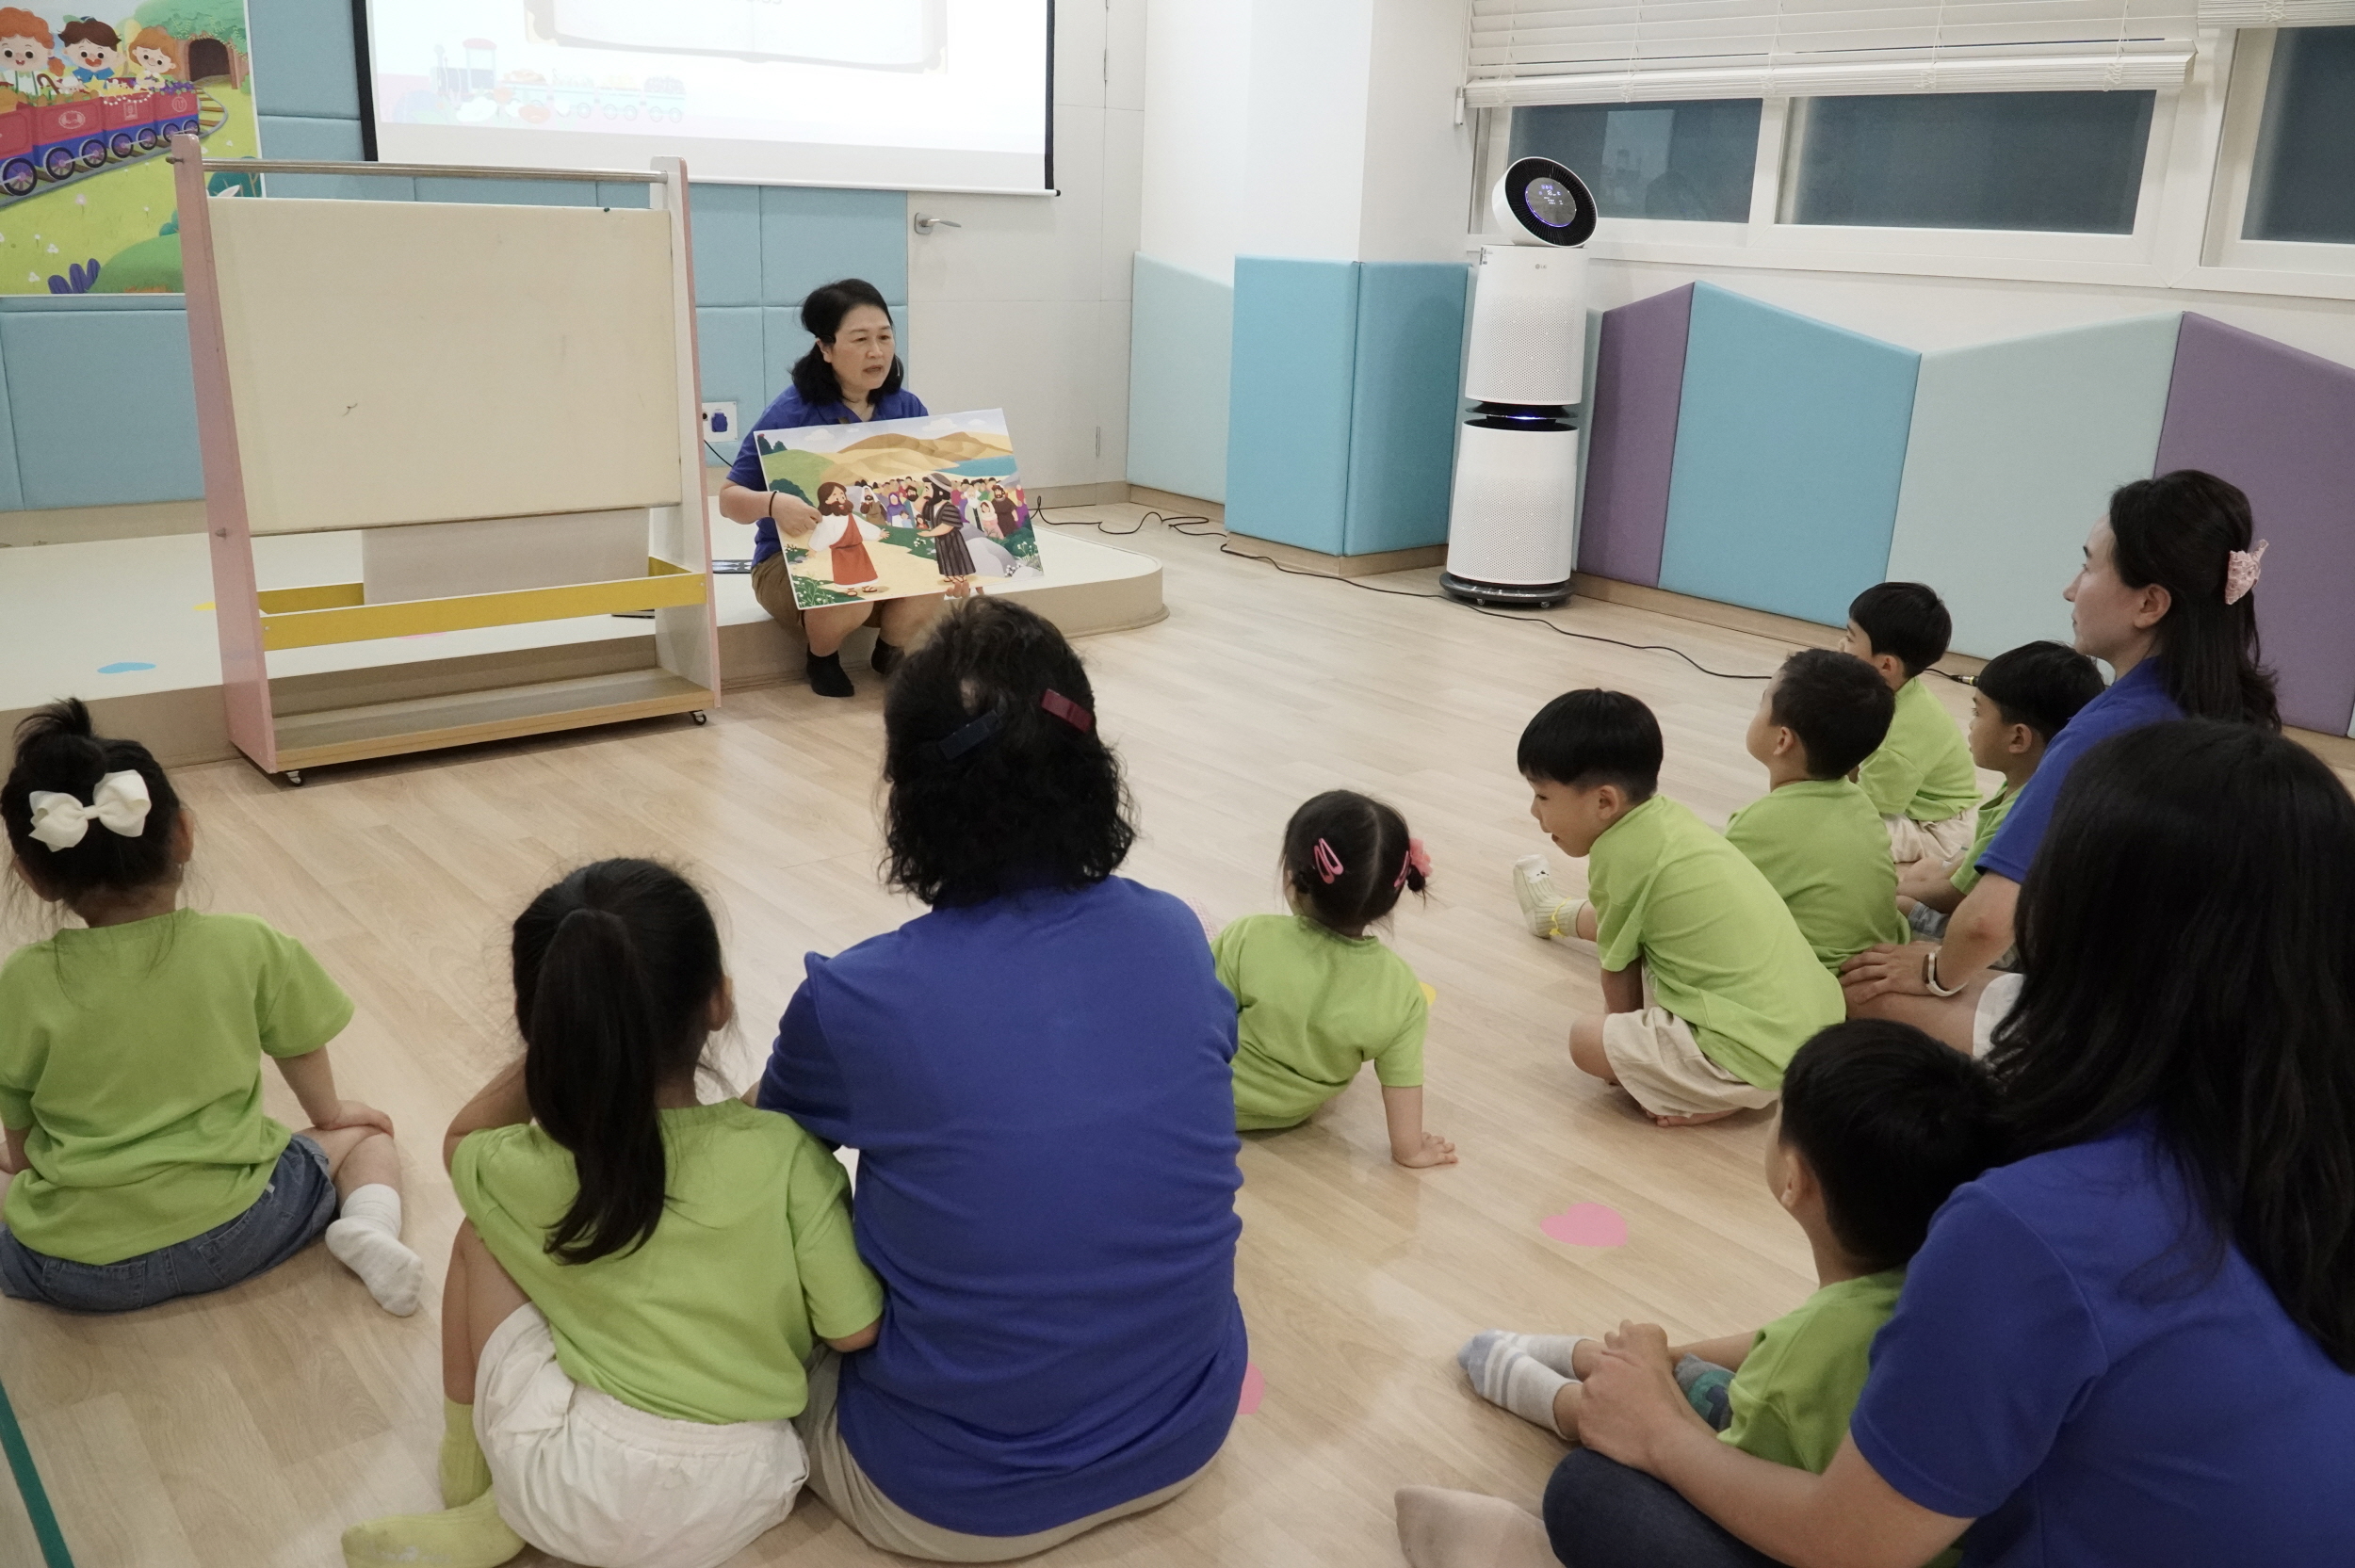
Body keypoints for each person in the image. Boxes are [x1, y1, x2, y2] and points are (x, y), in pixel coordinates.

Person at [1552, 720, 2355, 1568]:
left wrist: (1660, 1429)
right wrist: (1672, 1361)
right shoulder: (2303, 1142)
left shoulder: (2033, 1220)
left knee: (1595, 1495)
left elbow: (1851, 1543)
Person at [755, 597, 1246, 1560]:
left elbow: (759, 1161)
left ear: (907, 794)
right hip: (1188, 1432)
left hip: (946, 1499)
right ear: (1094, 768)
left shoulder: (857, 998)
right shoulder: (1177, 935)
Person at [341, 860, 884, 1568]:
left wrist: (563, 1035)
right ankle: (501, 1510)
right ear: (718, 1000)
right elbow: (854, 1328)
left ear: (545, 1023)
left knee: (480, 1235)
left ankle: (474, 1485)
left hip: (559, 1478)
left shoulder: (525, 1166)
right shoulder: (785, 1157)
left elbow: (461, 1139)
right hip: (743, 1490)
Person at [1410, 1019, 2004, 1568]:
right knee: (1690, 1379)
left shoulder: (1803, 1355)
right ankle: (1598, 1366)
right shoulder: (1939, 1281)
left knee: (1587, 1490)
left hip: (1803, 1516)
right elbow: (1781, 1343)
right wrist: (1665, 1362)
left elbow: (1731, 1474)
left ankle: (1575, 1408)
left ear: (1793, 1180)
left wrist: (1651, 1411)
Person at [0, 700, 422, 1316]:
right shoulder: (247, 943)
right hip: (242, 1228)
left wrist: (21, 1164)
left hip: (74, 1268)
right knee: (368, 1140)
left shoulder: (21, 982)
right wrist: (331, 1113)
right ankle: (370, 1228)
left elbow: (18, 1131)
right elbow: (301, 1041)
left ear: (33, 876)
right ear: (184, 834)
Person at [1841, 472, 2281, 1052]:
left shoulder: (2105, 731)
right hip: (2213, 1015)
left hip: (2125, 1032)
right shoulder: (2240, 711)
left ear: (2150, 603)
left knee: (1857, 987)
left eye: (2088, 567)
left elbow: (1988, 922)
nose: (2071, 590)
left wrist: (1933, 973)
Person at [1510, 691, 1843, 1127]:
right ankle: (1552, 914)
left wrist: (1625, 1062)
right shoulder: (1667, 819)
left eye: (1542, 797)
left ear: (1605, 802)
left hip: (1753, 1054)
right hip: (1816, 1029)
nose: (1534, 811)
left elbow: (1618, 970)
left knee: (1586, 1040)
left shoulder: (1619, 855)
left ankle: (1722, 1093)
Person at [718, 279, 942, 699]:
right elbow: (728, 500)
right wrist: (773, 503)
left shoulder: (906, 407)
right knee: (848, 590)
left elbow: (928, 490)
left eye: (885, 337)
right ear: (825, 348)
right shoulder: (791, 413)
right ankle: (822, 657)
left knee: (940, 571)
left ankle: (890, 651)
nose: (876, 352)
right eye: (860, 339)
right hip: (790, 559)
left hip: (880, 546)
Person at [1212, 789, 1453, 1168]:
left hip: (1202, 1099)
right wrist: (1411, 1151)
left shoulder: (1250, 936)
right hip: (1288, 1114)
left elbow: (1195, 1015)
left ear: (1293, 878)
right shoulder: (1401, 990)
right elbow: (1401, 1078)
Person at [1896, 642, 2102, 942]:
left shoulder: (2021, 811)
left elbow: (1956, 895)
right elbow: (1970, 865)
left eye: (1977, 712)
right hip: (2006, 908)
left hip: (2007, 940)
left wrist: (1896, 889)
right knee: (1926, 868)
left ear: (2018, 738)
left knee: (1895, 905)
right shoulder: (2032, 781)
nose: (1970, 724)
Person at [1724, 650, 1907, 970]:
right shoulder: (1858, 799)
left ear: (1782, 740)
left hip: (1812, 976)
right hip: (1875, 953)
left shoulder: (1761, 824)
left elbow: (1708, 906)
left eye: (1762, 702)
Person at [1842, 584, 1979, 865]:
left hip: (1938, 828)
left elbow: (1870, 809)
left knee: (1841, 834)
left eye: (1850, 638)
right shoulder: (1892, 691)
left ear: (1886, 666)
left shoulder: (1896, 739)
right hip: (1914, 804)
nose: (1841, 645)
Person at [813, 480, 885, 594]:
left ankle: (866, 585)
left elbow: (862, 525)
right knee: (846, 570)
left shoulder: (850, 515)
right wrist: (814, 548)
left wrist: (877, 533)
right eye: (834, 495)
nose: (840, 497)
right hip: (840, 551)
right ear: (826, 500)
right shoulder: (827, 519)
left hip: (857, 548)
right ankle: (850, 588)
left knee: (863, 567)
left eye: (842, 494)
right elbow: (822, 534)